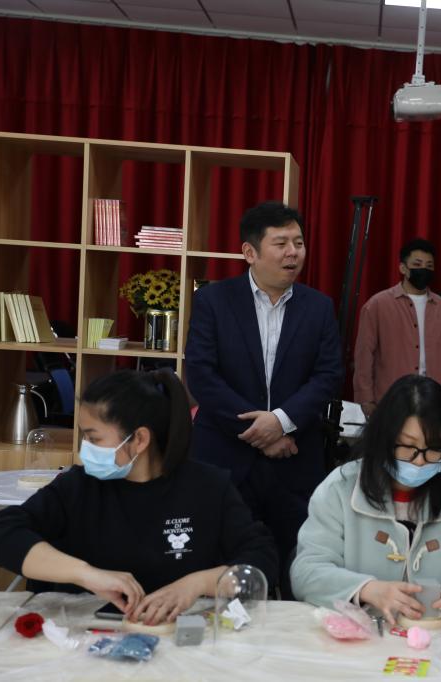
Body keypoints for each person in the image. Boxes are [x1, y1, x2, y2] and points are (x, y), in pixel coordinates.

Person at [0, 370, 277, 625]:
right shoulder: (79, 486)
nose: (84, 448)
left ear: (139, 439)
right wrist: (86, 575)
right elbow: (0, 533)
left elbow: (262, 559)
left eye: (94, 438)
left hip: (184, 638)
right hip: (88, 638)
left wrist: (199, 583)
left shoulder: (208, 487)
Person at [184, 201, 344, 591]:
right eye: (281, 243)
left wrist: (281, 422)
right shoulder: (213, 300)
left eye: (299, 243)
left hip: (294, 459)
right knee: (221, 569)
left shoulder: (319, 307)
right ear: (250, 252)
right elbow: (201, 374)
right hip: (225, 458)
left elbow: (329, 376)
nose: (293, 252)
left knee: (295, 568)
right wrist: (262, 431)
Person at [290, 375, 441, 624]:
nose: (420, 461)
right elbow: (307, 572)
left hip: (439, 635)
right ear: (383, 439)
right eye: (407, 446)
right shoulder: (339, 489)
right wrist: (367, 590)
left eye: (434, 448)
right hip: (363, 633)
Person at [353, 238, 441, 417]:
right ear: (403, 268)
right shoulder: (377, 305)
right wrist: (366, 398)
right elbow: (364, 355)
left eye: (429, 266)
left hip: (433, 400)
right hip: (391, 400)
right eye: (417, 264)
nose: (424, 269)